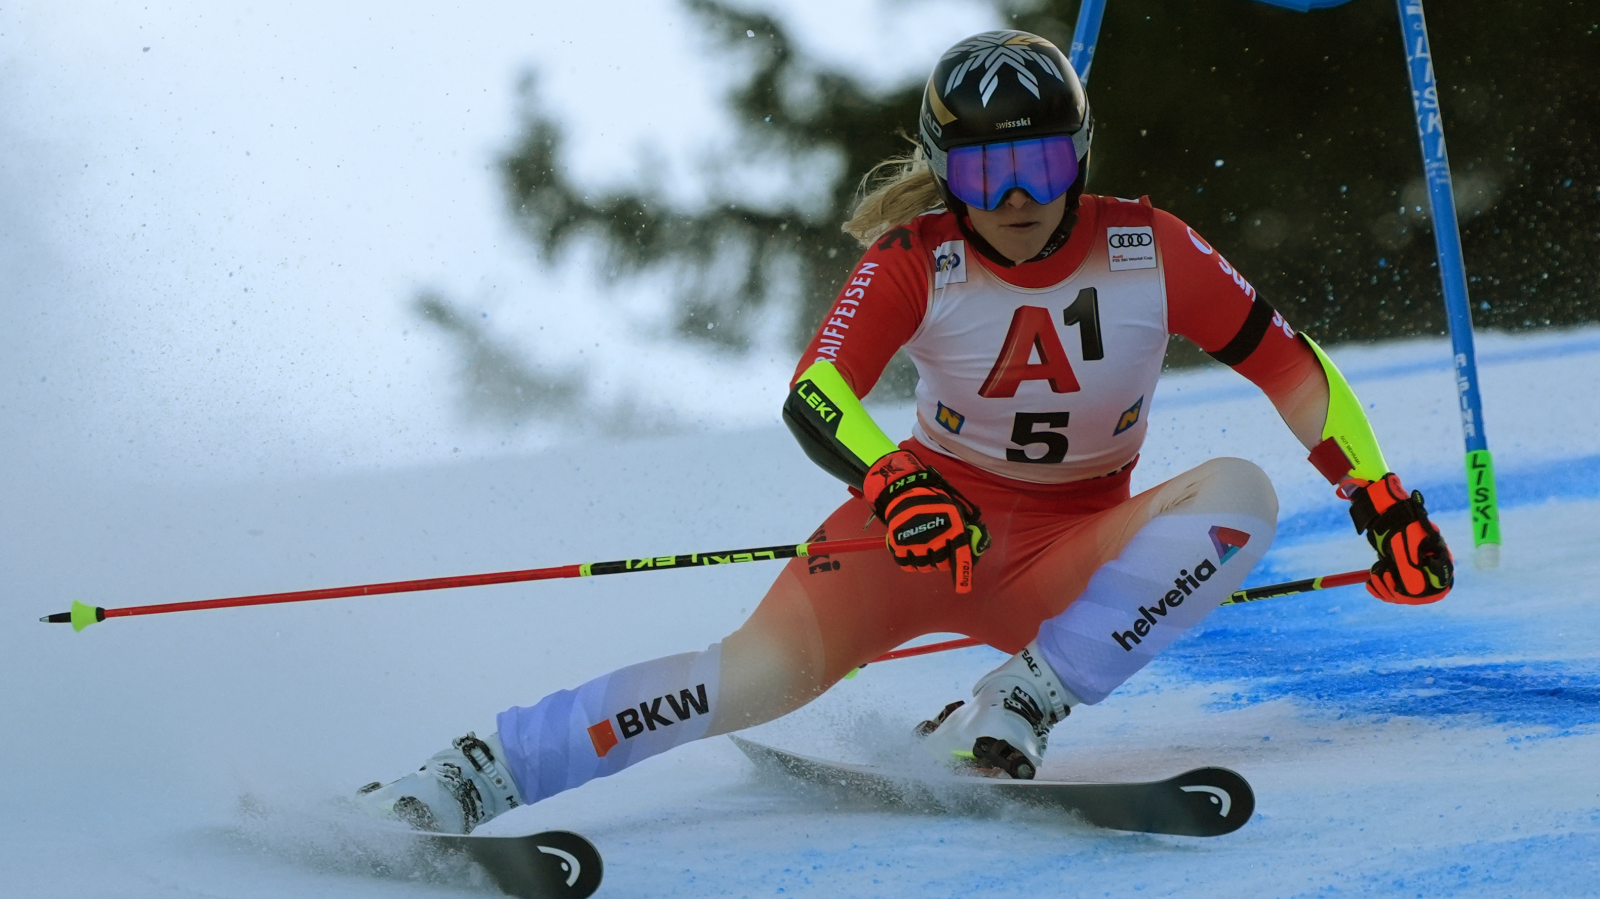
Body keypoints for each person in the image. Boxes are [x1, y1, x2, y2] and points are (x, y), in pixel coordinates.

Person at [355, 29, 1454, 834]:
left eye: (1041, 162)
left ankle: (1018, 701)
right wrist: (895, 486)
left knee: (1239, 496)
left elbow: (1288, 364)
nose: (1016, 196)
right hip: (916, 536)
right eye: (984, 169)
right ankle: (468, 774)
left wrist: (1378, 496)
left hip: (1067, 559)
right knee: (738, 678)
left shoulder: (1147, 247)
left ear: (1079, 154)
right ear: (945, 171)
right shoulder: (913, 258)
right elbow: (817, 391)